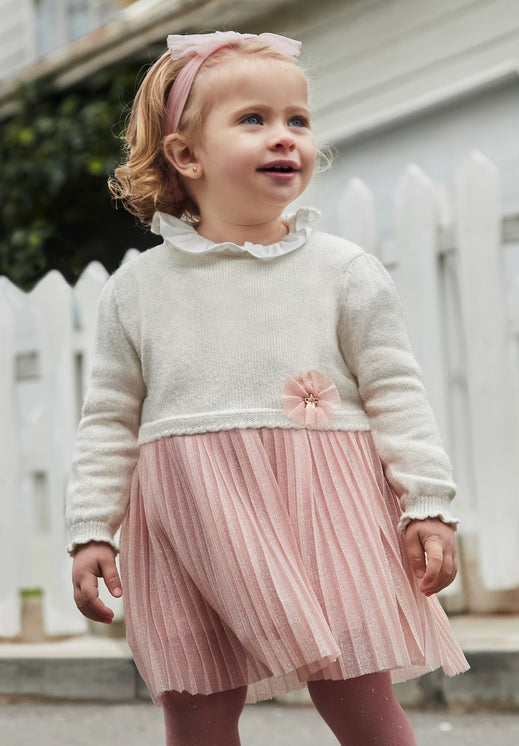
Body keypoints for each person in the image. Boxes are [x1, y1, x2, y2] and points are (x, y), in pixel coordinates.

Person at [66, 31, 469, 746]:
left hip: (323, 514)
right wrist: (91, 528)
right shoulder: (137, 291)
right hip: (191, 529)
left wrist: (426, 505)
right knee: (195, 705)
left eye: (297, 120)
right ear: (186, 155)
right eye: (253, 119)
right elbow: (107, 420)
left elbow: (395, 392)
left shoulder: (343, 271)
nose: (284, 137)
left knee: (357, 695)